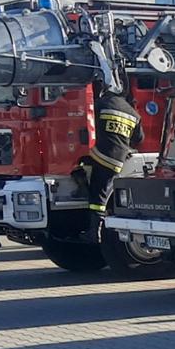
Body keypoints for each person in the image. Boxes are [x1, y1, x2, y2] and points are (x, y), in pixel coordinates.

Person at [71, 86, 142, 243]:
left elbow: (87, 124)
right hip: (118, 160)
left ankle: (94, 233)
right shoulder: (133, 113)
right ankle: (82, 182)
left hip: (100, 154)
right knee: (98, 186)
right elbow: (139, 138)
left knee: (98, 197)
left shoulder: (101, 105)